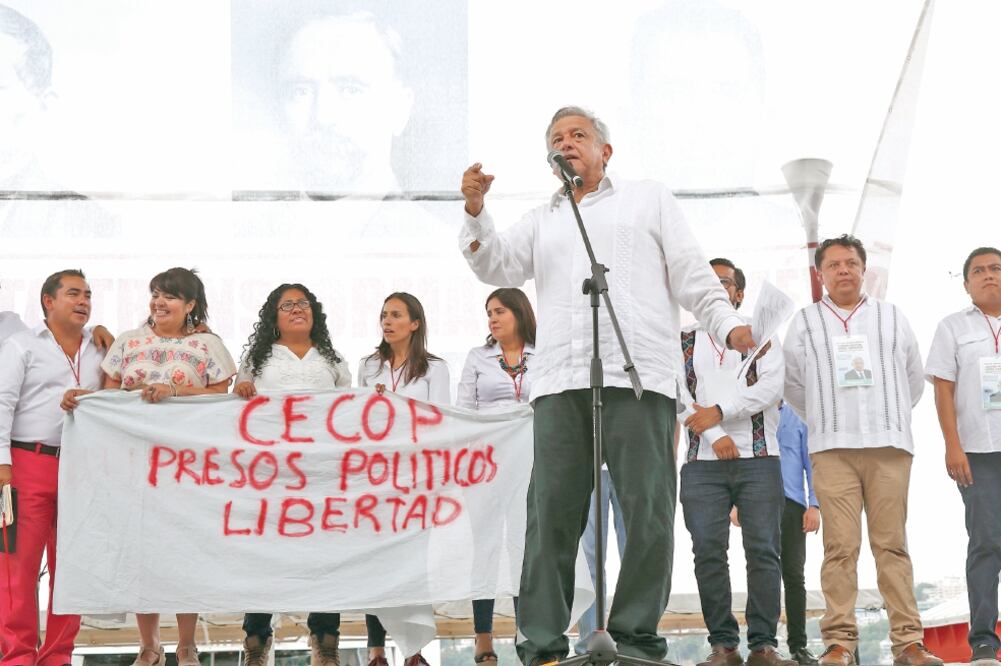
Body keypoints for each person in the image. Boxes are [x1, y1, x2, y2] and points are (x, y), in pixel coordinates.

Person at [459, 106, 753, 665]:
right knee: (550, 514)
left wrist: (727, 324)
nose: (566, 144)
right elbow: (494, 264)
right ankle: (542, 643)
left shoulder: (647, 199)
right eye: (556, 139)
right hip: (560, 383)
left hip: (636, 375)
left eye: (578, 136)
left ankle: (637, 638)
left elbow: (693, 275)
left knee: (647, 508)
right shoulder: (543, 217)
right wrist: (476, 212)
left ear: (605, 152)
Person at [783, 234, 942, 666]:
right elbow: (794, 386)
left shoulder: (892, 317)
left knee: (892, 546)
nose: (843, 271)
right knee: (840, 548)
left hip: (888, 447)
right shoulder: (804, 322)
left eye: (850, 263)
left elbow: (911, 379)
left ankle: (908, 643)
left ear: (863, 268)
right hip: (831, 449)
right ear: (820, 275)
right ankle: (840, 644)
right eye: (833, 265)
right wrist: (826, 418)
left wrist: (886, 416)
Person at [94, 267, 236, 666]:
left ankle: (187, 644)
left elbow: (218, 396)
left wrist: (173, 391)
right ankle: (149, 645)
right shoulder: (127, 341)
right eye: (155, 293)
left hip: (185, 465)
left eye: (170, 296)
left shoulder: (208, 345)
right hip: (133, 463)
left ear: (190, 304)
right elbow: (106, 399)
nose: (159, 302)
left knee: (185, 549)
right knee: (142, 551)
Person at [677, 258, 792, 666]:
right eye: (706, 283)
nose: (715, 288)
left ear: (738, 293)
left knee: (763, 551)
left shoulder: (760, 337)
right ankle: (723, 645)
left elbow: (770, 389)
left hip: (759, 458)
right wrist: (714, 433)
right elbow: (678, 396)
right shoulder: (683, 340)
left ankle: (763, 644)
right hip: (701, 463)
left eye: (723, 282)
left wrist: (721, 412)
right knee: (708, 551)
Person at [233, 283, 351, 666]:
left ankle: (325, 638)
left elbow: (350, 410)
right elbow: (235, 405)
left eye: (304, 304)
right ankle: (256, 638)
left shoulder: (332, 360)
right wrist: (243, 388)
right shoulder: (257, 357)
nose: (297, 309)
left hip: (322, 473)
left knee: (326, 552)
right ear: (274, 316)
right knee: (263, 554)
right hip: (270, 474)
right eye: (288, 305)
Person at [0, 269, 105, 666]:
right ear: (48, 301)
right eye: (73, 294)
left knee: (74, 569)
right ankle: (18, 657)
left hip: (83, 469)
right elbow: (2, 404)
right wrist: (2, 468)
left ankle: (58, 655)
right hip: (27, 464)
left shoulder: (100, 347)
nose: (83, 301)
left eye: (88, 295)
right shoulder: (21, 344)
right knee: (17, 571)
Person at [358, 291, 449, 666]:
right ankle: (376, 649)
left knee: (414, 563)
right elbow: (358, 419)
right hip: (375, 477)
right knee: (375, 562)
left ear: (415, 323)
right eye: (384, 314)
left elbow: (440, 419)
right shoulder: (367, 365)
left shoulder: (435, 367)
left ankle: (414, 650)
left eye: (396, 314)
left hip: (417, 478)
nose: (388, 321)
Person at [925, 247, 1001, 666]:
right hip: (977, 451)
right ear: (967, 283)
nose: (988, 275)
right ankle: (985, 641)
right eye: (979, 271)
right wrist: (952, 445)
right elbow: (943, 388)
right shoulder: (953, 327)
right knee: (987, 542)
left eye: (995, 268)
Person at [457, 287, 537, 664]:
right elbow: (463, 412)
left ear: (520, 314)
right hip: (485, 467)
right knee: (485, 548)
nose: (492, 318)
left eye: (500, 310)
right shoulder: (478, 357)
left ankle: (528, 632)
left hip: (531, 465)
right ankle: (483, 636)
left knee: (525, 548)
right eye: (489, 311)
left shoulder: (544, 355)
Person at [774, 403, 821, 666]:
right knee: (761, 573)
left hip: (793, 504)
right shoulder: (753, 412)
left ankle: (798, 646)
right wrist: (736, 505)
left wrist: (814, 504)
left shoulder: (798, 415)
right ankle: (764, 645)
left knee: (794, 576)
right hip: (758, 503)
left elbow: (810, 462)